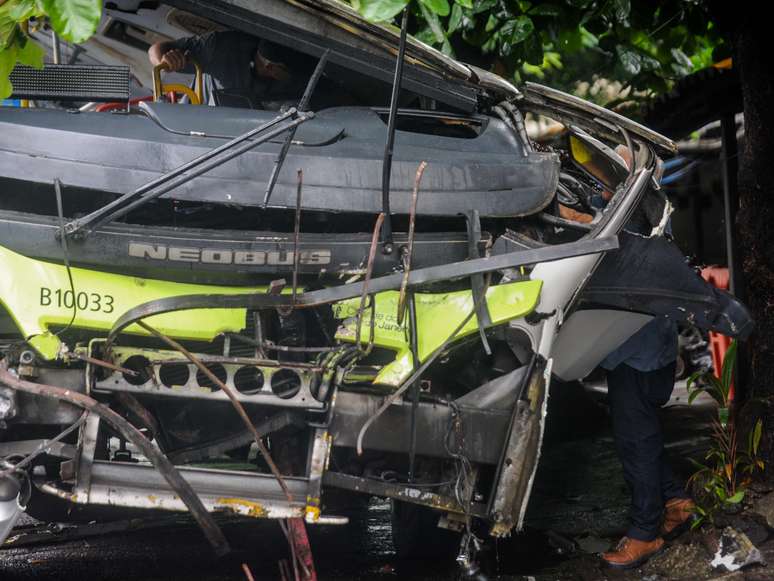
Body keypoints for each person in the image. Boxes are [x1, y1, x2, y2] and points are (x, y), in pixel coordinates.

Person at [148, 30, 309, 109]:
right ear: (271, 68)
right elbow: (155, 49)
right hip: (193, 125)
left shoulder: (305, 78)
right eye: (288, 71)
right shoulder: (220, 47)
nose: (293, 77)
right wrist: (165, 60)